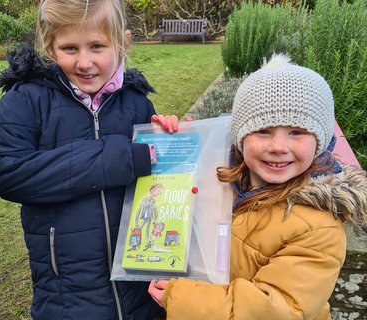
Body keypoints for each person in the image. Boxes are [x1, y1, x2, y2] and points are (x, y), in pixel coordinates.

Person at [0, 0, 179, 319]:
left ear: (122, 42)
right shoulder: (26, 100)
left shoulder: (136, 103)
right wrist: (118, 158)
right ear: (50, 46)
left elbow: (157, 185)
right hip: (66, 296)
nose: (84, 62)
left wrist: (170, 142)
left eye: (97, 46)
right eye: (70, 48)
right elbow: (7, 171)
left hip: (140, 294)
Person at [148, 54, 367, 319]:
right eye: (263, 131)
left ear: (319, 140)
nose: (278, 147)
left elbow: (273, 309)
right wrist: (174, 144)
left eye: (296, 132)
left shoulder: (319, 227)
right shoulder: (228, 178)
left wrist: (179, 297)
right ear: (240, 137)